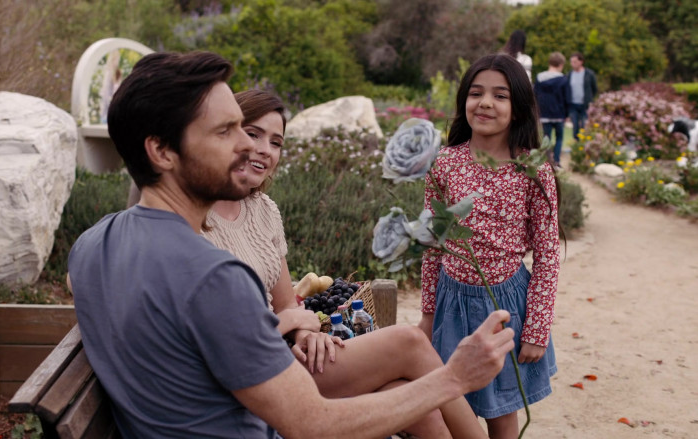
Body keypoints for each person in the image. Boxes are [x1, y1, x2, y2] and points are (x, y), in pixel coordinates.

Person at [68, 50, 514, 438]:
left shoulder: (90, 245)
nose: (248, 146)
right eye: (226, 132)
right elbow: (312, 425)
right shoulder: (214, 276)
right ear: (162, 152)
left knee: (399, 390)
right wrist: (454, 378)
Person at [204, 89, 487, 438]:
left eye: (276, 142)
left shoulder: (263, 211)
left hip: (288, 358)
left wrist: (308, 333)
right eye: (253, 134)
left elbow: (284, 304)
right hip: (254, 376)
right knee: (409, 342)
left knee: (414, 407)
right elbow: (230, 334)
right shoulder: (195, 220)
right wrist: (291, 321)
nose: (265, 149)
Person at [417, 53, 560, 439]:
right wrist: (429, 313)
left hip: (505, 308)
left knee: (501, 411)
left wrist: (537, 328)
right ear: (464, 99)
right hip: (452, 301)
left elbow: (548, 254)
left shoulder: (532, 169)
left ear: (518, 108)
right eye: (476, 93)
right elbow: (433, 243)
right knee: (450, 403)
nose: (485, 103)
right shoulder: (445, 163)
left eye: (500, 95)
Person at [534, 52, 569, 166]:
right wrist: (567, 114)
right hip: (559, 113)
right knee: (559, 138)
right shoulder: (563, 80)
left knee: (546, 138)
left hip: (544, 113)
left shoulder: (539, 78)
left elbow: (535, 95)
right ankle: (557, 161)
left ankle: (547, 161)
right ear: (560, 65)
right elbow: (566, 97)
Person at [566, 52, 598, 141]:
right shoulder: (569, 75)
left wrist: (590, 99)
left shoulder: (589, 74)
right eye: (571, 62)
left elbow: (594, 89)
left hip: (585, 105)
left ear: (581, 62)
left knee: (585, 126)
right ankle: (577, 145)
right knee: (575, 127)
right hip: (573, 105)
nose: (573, 64)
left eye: (575, 62)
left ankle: (584, 146)